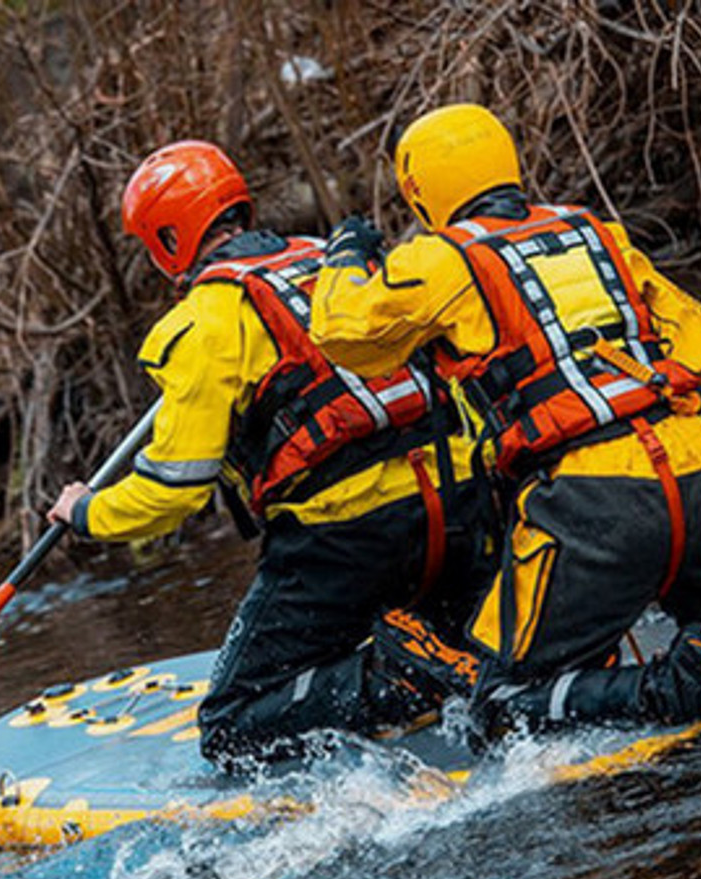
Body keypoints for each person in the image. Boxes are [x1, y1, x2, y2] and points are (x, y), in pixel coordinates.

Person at [308, 104, 701, 742]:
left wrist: (344, 257)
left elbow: (342, 334)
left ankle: (671, 688)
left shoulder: (442, 258)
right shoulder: (594, 231)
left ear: (420, 190)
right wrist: (694, 437)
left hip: (593, 503)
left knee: (496, 700)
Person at [47, 140, 490, 768]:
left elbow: (174, 491)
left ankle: (398, 678)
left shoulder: (203, 326)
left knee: (231, 726)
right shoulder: (338, 262)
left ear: (169, 239)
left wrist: (86, 513)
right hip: (463, 506)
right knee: (457, 629)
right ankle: (452, 653)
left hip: (347, 541)